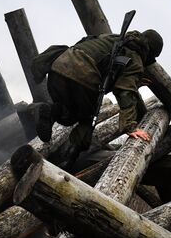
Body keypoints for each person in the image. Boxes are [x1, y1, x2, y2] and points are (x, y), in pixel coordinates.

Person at [31, 29, 163, 159]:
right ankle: (69, 156)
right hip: (83, 77)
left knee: (68, 114)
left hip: (58, 68)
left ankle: (50, 111)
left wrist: (135, 82)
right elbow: (125, 91)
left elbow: (106, 67)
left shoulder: (112, 38)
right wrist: (130, 127)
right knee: (86, 120)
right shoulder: (135, 59)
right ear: (150, 52)